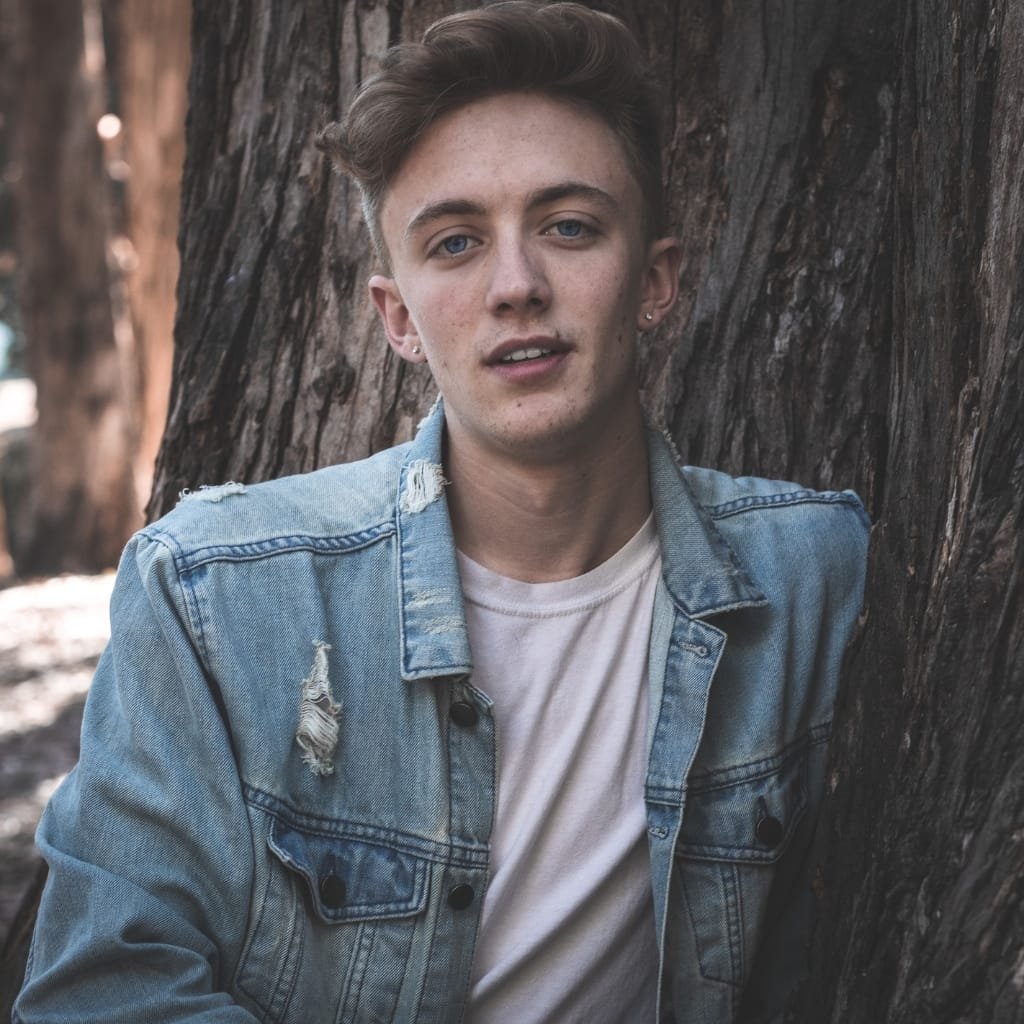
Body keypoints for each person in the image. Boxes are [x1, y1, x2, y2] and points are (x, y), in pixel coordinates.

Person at [14, 3, 869, 1022]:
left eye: (568, 227)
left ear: (654, 280)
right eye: (455, 242)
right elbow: (106, 989)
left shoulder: (814, 578)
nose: (517, 286)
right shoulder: (216, 598)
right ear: (396, 317)